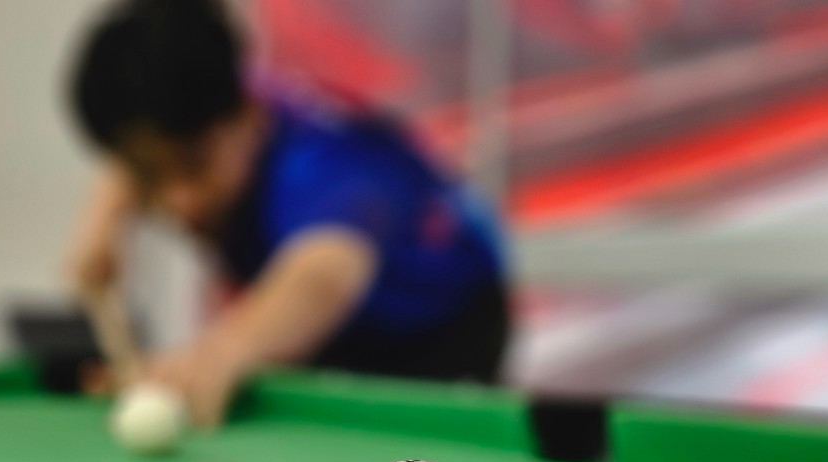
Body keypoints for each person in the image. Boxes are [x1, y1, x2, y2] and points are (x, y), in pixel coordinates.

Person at [66, 0, 510, 428]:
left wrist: (216, 352)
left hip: (442, 330)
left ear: (245, 113)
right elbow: (144, 147)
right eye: (148, 175)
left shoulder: (324, 162)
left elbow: (325, 272)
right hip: (335, 336)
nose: (180, 202)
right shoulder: (211, 100)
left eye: (195, 166)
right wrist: (103, 225)